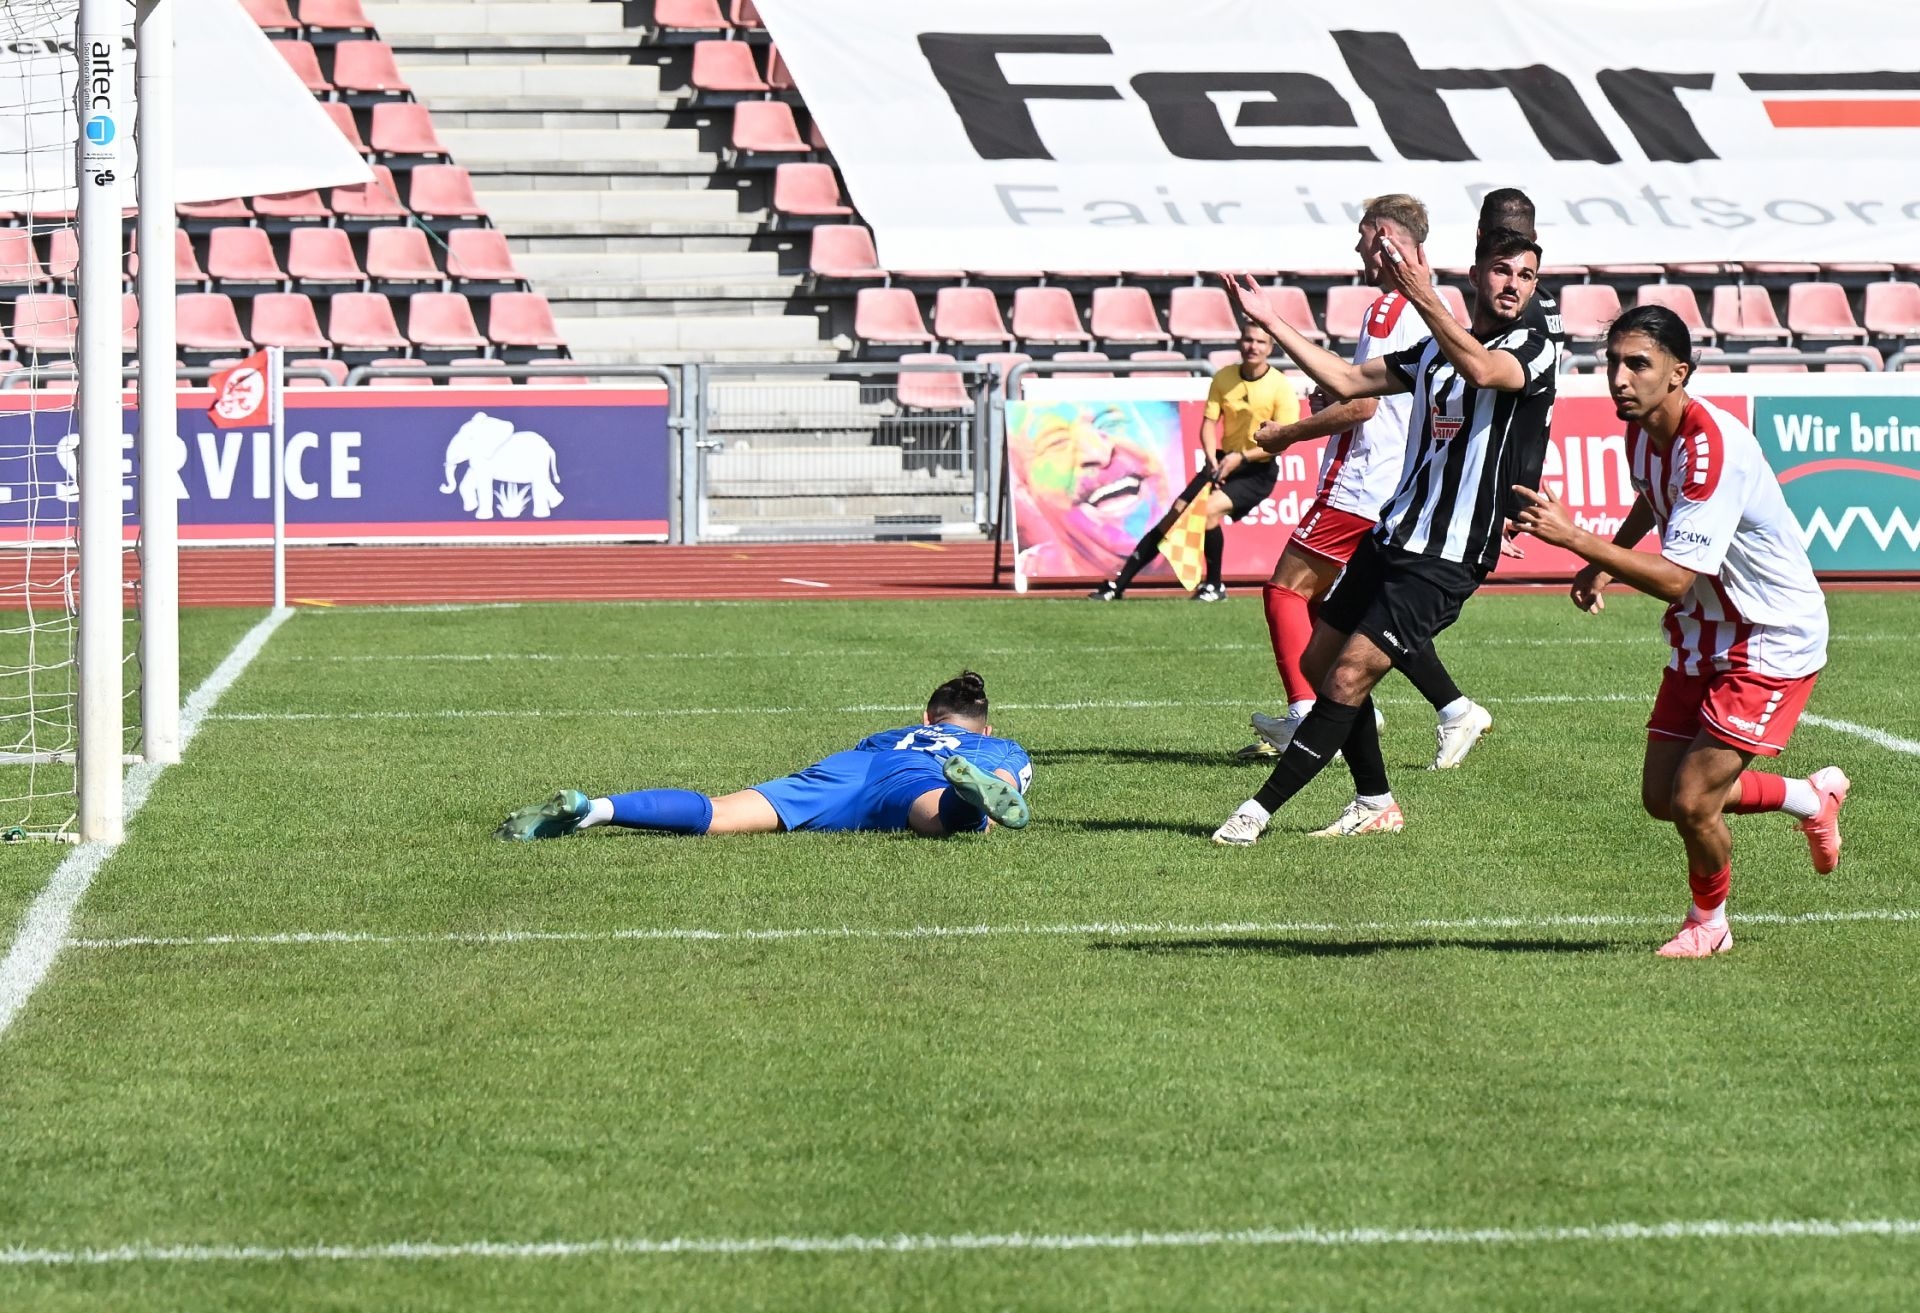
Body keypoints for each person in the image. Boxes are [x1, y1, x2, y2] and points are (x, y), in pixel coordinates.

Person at [1509, 306, 1848, 958]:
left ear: (1678, 373)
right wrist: (1605, 562)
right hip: (1706, 627)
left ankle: (1709, 924)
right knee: (1662, 797)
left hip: (1769, 634)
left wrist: (1577, 539)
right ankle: (1810, 797)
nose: (1619, 378)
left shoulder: (1712, 449)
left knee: (1693, 802)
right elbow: (1652, 495)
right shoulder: (1642, 430)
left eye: (1637, 364)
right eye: (1613, 362)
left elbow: (1671, 579)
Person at [1211, 223, 1556, 843]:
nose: (1514, 285)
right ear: (1476, 275)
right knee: (1319, 662)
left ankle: (1255, 813)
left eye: (1526, 275)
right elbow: (1348, 382)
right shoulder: (1431, 351)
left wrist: (1419, 291)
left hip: (1450, 552)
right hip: (1396, 531)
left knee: (1348, 675)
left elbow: (1482, 371)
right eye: (1503, 270)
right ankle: (1375, 801)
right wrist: (1272, 320)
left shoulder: (1534, 348)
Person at [1238, 193, 1493, 770]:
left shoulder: (1386, 309)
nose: (1356, 248)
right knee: (1363, 611)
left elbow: (1362, 406)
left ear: (1384, 237)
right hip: (1401, 481)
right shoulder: (1441, 304)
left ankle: (1308, 713)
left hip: (1361, 480)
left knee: (1285, 591)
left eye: (1362, 235)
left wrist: (1288, 434)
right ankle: (1450, 709)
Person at [494, 671, 1033, 841]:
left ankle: (594, 809)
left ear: (926, 717)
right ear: (984, 728)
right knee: (946, 818)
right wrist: (989, 793)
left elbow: (874, 755)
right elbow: (1006, 788)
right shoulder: (998, 746)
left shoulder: (891, 732)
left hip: (852, 767)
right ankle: (964, 796)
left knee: (720, 812)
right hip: (921, 778)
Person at [1088, 323, 1298, 602]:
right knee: (1174, 515)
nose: (1253, 347)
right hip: (1221, 461)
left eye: (1260, 342)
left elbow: (1284, 440)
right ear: (1240, 342)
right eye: (1248, 340)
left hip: (1257, 469)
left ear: (1270, 348)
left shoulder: (1280, 387)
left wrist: (1241, 457)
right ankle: (1118, 585)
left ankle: (1214, 586)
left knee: (1208, 512)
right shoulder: (1224, 377)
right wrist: (1211, 458)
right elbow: (1209, 423)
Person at [1009, 401, 1185, 582]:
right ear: (1025, 492)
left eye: (1111, 423)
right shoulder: (1033, 572)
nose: (1099, 453)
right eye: (1057, 442)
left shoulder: (1204, 546)